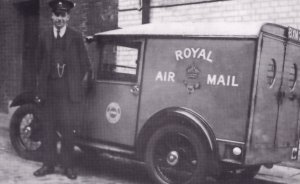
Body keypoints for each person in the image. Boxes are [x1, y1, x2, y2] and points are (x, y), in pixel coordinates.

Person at [33, 0, 91, 179]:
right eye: (57, 15)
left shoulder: (76, 37)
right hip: (49, 91)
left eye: (63, 15)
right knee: (48, 129)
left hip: (68, 93)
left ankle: (68, 167)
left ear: (68, 17)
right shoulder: (44, 36)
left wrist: (73, 82)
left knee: (67, 130)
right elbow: (38, 63)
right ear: (52, 16)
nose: (60, 18)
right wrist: (42, 85)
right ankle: (48, 165)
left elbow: (85, 65)